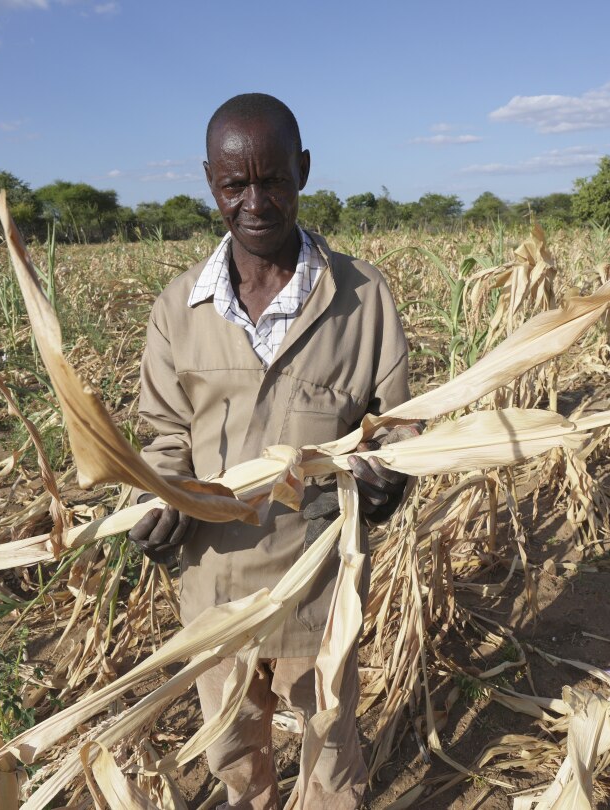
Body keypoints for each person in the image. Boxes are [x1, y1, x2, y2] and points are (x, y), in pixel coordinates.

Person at [127, 93, 412, 809]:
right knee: (233, 753)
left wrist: (390, 480)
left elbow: (395, 427)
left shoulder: (364, 296)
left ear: (303, 172)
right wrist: (157, 500)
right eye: (235, 185)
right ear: (210, 185)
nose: (255, 202)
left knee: (331, 751)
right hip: (213, 585)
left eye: (274, 180)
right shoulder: (178, 308)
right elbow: (163, 436)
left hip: (318, 582)